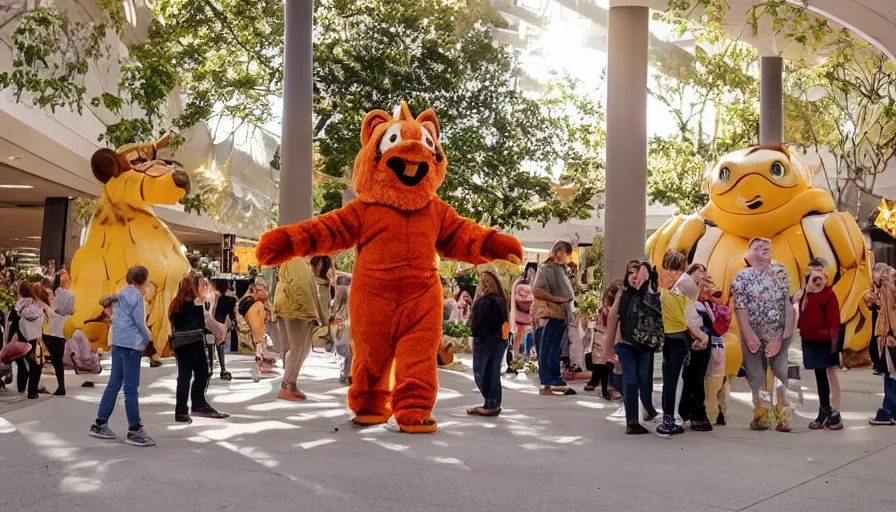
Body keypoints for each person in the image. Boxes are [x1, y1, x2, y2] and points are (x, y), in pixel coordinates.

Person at [730, 237, 795, 432]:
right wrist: (749, 334)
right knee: (757, 375)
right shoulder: (741, 277)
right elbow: (740, 308)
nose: (762, 251)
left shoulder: (781, 271)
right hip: (753, 334)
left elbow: (788, 304)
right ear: (748, 255)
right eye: (756, 248)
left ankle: (783, 417)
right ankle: (762, 414)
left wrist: (782, 335)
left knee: (781, 374)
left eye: (766, 248)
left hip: (779, 333)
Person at [88, 266, 155, 446]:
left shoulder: (123, 294)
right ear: (144, 280)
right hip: (131, 344)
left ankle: (100, 423)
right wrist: (149, 338)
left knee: (114, 383)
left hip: (118, 343)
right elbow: (140, 322)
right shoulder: (137, 298)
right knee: (131, 387)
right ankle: (134, 429)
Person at [606, 260, 660, 434]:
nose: (634, 276)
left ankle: (649, 408)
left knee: (645, 381)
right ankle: (632, 422)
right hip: (626, 346)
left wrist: (646, 267)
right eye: (630, 273)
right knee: (631, 381)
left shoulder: (651, 292)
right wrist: (608, 350)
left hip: (646, 346)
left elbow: (653, 274)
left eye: (638, 272)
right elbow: (613, 321)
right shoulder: (624, 295)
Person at [169, 275, 229, 423]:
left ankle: (181, 411)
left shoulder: (175, 304)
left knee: (184, 376)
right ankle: (198, 404)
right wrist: (220, 332)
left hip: (179, 344)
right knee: (202, 373)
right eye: (202, 285)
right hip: (194, 342)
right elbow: (205, 322)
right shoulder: (196, 302)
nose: (205, 288)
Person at [794, 258, 843, 430]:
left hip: (825, 342)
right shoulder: (805, 294)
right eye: (810, 272)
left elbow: (834, 322)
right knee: (819, 375)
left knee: (830, 373)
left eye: (818, 272)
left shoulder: (829, 294)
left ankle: (835, 412)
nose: (813, 276)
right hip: (810, 340)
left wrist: (833, 344)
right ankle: (824, 410)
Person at [657, 272, 706, 435]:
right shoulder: (683, 301)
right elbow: (693, 325)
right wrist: (704, 337)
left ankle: (666, 417)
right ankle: (669, 421)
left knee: (667, 381)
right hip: (678, 342)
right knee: (673, 380)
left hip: (666, 340)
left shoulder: (664, 296)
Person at [274, 256, 326, 401]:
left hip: (283, 305)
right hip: (298, 309)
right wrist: (320, 317)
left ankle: (291, 384)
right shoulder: (300, 262)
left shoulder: (289, 260)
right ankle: (287, 385)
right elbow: (306, 290)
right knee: (300, 348)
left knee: (292, 348)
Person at [532, 240, 577, 395]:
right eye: (565, 253)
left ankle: (553, 377)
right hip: (551, 313)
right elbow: (537, 290)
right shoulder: (546, 268)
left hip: (561, 313)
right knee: (548, 347)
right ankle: (549, 378)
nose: (565, 256)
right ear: (559, 251)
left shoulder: (560, 268)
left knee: (555, 347)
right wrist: (557, 299)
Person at [466, 271, 508, 416]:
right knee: (491, 372)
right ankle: (491, 402)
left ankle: (491, 403)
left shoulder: (486, 302)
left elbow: (478, 324)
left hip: (486, 341)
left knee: (483, 372)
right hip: (497, 340)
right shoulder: (500, 300)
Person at [678, 274, 715, 432]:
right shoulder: (688, 302)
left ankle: (685, 411)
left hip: (698, 343)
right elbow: (689, 322)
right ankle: (696, 414)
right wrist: (702, 337)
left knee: (691, 379)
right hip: (694, 344)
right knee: (694, 379)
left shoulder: (706, 305)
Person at [584, 280, 623, 400]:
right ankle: (608, 389)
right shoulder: (612, 311)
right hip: (605, 343)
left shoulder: (605, 310)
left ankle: (605, 388)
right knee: (608, 368)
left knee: (603, 368)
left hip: (601, 343)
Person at [9, 282, 48, 399]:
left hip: (21, 339)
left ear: (20, 292)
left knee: (21, 365)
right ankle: (32, 390)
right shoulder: (38, 306)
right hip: (36, 338)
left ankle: (21, 387)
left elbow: (12, 324)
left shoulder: (17, 307)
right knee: (37, 366)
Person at [870, 265, 896, 426]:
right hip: (887, 336)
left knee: (891, 373)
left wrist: (892, 335)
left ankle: (887, 411)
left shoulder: (889, 286)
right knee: (890, 372)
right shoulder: (886, 287)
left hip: (891, 337)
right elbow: (877, 306)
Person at [246, 283, 276, 381]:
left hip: (258, 330)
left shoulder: (256, 305)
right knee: (259, 347)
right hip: (258, 330)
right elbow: (263, 318)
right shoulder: (258, 305)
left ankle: (260, 363)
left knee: (261, 346)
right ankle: (257, 367)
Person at [208, 279, 236, 380]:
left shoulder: (210, 296)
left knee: (211, 346)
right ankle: (222, 368)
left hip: (210, 326)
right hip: (221, 327)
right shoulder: (230, 300)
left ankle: (211, 368)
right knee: (220, 346)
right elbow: (231, 315)